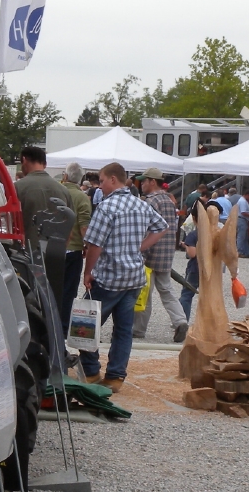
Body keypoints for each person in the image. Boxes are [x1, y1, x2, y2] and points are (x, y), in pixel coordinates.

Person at [79, 161, 168, 392]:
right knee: (123, 330)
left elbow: (95, 244)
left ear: (112, 179)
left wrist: (88, 272)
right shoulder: (141, 204)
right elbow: (162, 227)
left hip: (109, 277)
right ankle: (115, 376)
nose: (99, 186)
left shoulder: (106, 207)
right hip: (134, 277)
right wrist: (139, 247)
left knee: (86, 324)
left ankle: (91, 372)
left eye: (101, 181)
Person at [137, 167, 188, 343]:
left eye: (144, 181)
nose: (141, 184)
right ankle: (180, 320)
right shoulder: (169, 201)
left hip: (150, 253)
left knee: (144, 293)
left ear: (152, 182)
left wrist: (141, 252)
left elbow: (147, 230)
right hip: (166, 253)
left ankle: (138, 329)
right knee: (167, 291)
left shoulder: (150, 202)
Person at [14, 144, 73, 261]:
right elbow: (69, 228)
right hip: (54, 257)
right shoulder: (63, 190)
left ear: (24, 160)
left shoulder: (17, 188)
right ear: (45, 164)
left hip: (24, 257)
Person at [56, 162, 93, 335]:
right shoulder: (82, 197)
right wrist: (87, 245)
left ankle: (50, 324)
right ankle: (63, 326)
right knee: (69, 290)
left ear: (65, 176)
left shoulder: (56, 191)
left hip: (53, 248)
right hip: (73, 249)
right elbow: (84, 226)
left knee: (52, 288)